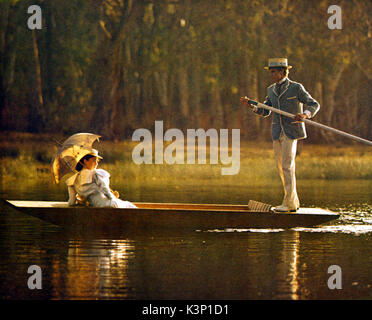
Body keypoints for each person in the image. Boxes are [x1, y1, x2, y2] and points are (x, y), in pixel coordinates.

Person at [240, 58, 320, 212]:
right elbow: (266, 111)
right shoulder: (271, 89)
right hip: (277, 132)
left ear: (283, 72)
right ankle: (291, 202)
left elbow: (314, 104)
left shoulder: (296, 88)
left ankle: (289, 203)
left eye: (274, 72)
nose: (272, 74)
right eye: (270, 72)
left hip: (291, 131)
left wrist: (305, 115)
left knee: (287, 166)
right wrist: (252, 105)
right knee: (280, 167)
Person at [66, 149, 137, 208]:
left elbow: (71, 202)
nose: (96, 163)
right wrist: (114, 198)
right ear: (85, 161)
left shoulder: (72, 180)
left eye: (97, 161)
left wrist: (81, 201)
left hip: (97, 206)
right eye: (94, 160)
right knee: (128, 204)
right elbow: (105, 189)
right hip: (109, 205)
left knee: (125, 204)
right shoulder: (96, 174)